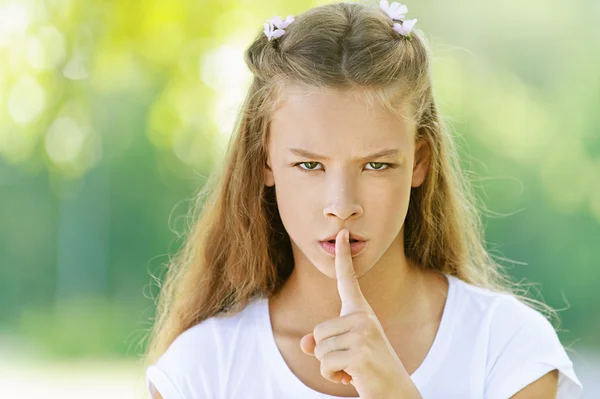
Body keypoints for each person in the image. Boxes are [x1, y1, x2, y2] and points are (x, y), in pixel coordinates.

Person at [143, 1, 583, 398]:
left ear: (419, 163)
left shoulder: (507, 350)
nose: (342, 205)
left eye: (376, 166)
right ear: (265, 162)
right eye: (309, 166)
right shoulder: (201, 370)